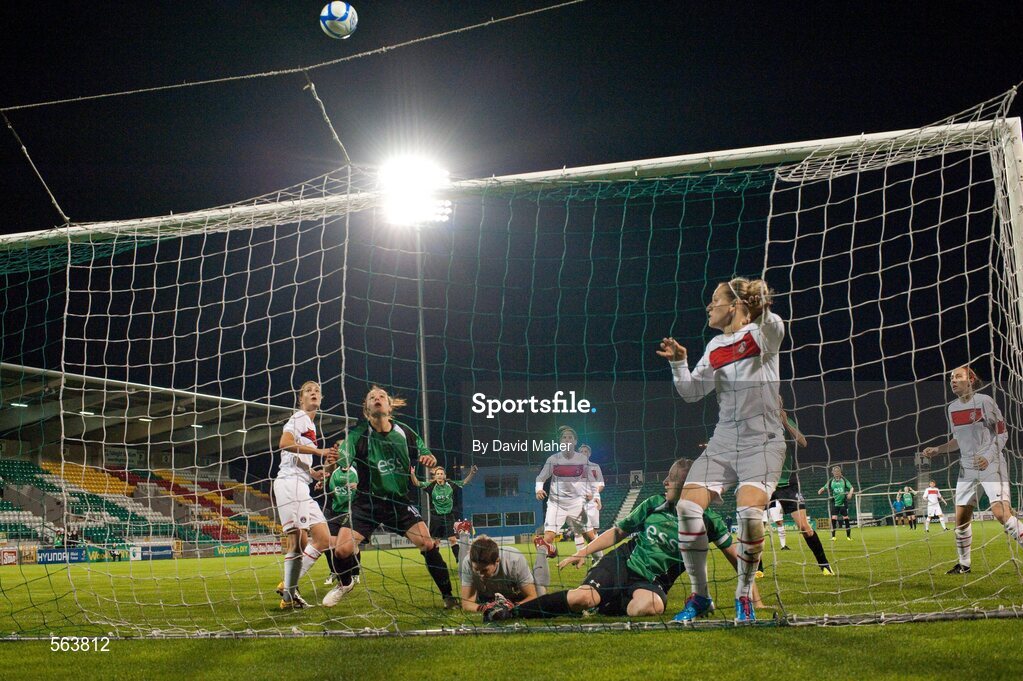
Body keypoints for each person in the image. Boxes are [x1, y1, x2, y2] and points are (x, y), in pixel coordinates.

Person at [487, 458, 760, 622]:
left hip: (652, 583)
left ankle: (602, 603)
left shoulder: (708, 519)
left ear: (687, 484)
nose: (665, 481)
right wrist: (583, 552)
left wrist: (754, 600)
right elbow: (618, 533)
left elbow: (738, 560)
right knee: (583, 598)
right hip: (622, 563)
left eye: (672, 478)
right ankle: (514, 611)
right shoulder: (653, 504)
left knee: (647, 607)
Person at [658, 277, 784, 623]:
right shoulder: (715, 346)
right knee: (686, 506)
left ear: (735, 305)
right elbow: (691, 392)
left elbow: (775, 325)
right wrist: (678, 362)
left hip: (763, 440)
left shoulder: (761, 333)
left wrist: (758, 304)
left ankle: (743, 595)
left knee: (749, 516)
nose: (709, 307)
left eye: (715, 300)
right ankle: (700, 596)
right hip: (725, 439)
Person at [324, 386, 459, 608]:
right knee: (341, 550)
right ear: (366, 409)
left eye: (382, 396)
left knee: (428, 543)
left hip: (399, 502)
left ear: (389, 406)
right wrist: (334, 460)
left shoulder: (404, 432)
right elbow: (342, 459)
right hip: (367, 502)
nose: (377, 398)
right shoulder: (358, 435)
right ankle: (345, 583)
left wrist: (429, 458)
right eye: (371, 397)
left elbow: (426, 453)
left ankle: (448, 596)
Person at [922, 365, 1023, 574]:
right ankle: (964, 565)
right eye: (951, 377)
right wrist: (938, 450)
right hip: (966, 468)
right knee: (960, 520)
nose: (953, 380)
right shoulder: (952, 408)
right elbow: (957, 441)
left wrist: (987, 457)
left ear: (971, 380)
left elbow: (1002, 433)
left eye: (958, 376)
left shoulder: (985, 401)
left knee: (1000, 512)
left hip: (991, 463)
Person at [274, 380, 336, 609]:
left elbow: (297, 457)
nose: (314, 393)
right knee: (297, 542)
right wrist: (319, 451)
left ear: (321, 399)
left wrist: (314, 473)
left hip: (302, 484)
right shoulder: (299, 418)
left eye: (317, 391)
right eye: (309, 391)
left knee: (322, 538)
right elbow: (284, 443)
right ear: (301, 399)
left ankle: (288, 587)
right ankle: (289, 596)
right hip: (290, 483)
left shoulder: (311, 425)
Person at [759, 409, 833, 576]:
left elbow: (803, 442)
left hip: (788, 483)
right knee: (756, 529)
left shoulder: (786, 421)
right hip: (764, 482)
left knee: (804, 526)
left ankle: (824, 564)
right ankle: (758, 569)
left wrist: (785, 421)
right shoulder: (756, 420)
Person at [533, 426, 591, 593]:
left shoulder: (582, 460)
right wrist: (538, 489)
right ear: (560, 442)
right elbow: (541, 477)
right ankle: (539, 584)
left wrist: (590, 493)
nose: (567, 440)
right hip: (556, 504)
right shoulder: (553, 459)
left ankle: (597, 564)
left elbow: (588, 479)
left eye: (570, 438)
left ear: (575, 441)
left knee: (590, 536)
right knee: (548, 538)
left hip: (576, 504)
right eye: (564, 438)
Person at [411, 463, 478, 563]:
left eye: (441, 473)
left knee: (452, 539)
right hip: (436, 517)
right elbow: (417, 483)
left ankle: (459, 560)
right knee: (436, 542)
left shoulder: (451, 485)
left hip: (448, 516)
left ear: (444, 475)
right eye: (438, 473)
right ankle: (436, 562)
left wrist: (471, 473)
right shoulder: (431, 486)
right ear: (435, 476)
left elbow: (464, 482)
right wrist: (412, 474)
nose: (439, 475)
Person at [459, 535, 538, 618]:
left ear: (497, 561)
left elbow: (533, 596)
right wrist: (486, 608)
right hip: (485, 598)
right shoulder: (467, 562)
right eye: (476, 570)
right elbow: (466, 603)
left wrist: (511, 607)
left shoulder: (514, 559)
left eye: (484, 570)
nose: (480, 575)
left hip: (514, 597)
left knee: (541, 593)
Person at [319, 454, 361, 592]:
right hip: (334, 512)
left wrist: (358, 486)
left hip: (350, 512)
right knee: (328, 545)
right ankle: (334, 572)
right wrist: (322, 484)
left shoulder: (356, 471)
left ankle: (355, 573)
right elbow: (328, 488)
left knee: (351, 546)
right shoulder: (334, 473)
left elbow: (368, 487)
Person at [575, 443, 605, 561]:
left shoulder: (595, 467)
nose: (583, 454)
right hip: (578, 502)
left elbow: (601, 484)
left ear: (589, 454)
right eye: (581, 452)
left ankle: (597, 558)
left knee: (593, 532)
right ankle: (579, 556)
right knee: (579, 530)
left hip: (593, 502)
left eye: (585, 452)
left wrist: (594, 495)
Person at [818, 466, 854, 541]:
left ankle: (848, 537)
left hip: (843, 503)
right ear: (833, 473)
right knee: (834, 518)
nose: (837, 473)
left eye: (838, 472)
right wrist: (820, 490)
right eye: (835, 472)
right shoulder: (831, 481)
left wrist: (850, 494)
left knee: (846, 518)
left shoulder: (844, 480)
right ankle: (833, 537)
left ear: (840, 472)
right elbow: (824, 487)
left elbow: (851, 488)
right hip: (835, 503)